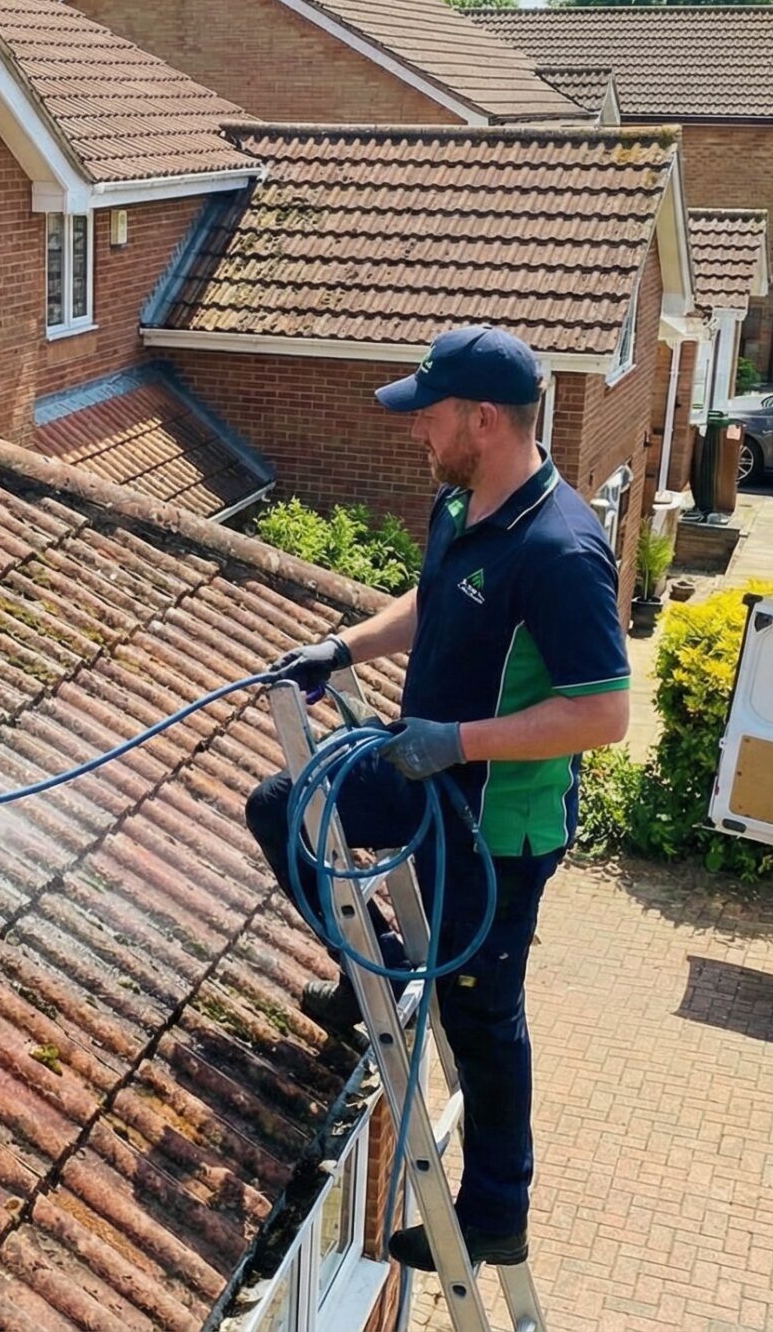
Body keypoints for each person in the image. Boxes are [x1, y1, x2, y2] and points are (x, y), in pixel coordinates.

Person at [245, 325, 631, 1272]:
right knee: (284, 808)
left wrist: (457, 742)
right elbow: (431, 603)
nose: (416, 430)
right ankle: (370, 969)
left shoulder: (561, 550)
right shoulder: (460, 505)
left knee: (481, 1015)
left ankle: (497, 1210)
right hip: (422, 774)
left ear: (483, 419)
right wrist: (342, 647)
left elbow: (604, 713)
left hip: (496, 825)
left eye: (429, 415)